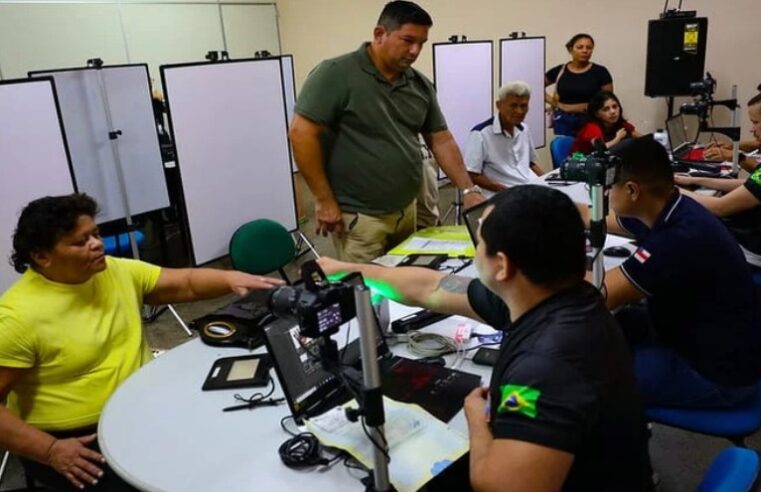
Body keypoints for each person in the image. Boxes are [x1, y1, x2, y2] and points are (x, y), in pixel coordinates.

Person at [318, 186, 652, 491]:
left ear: (502, 266)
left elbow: (500, 486)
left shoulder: (547, 366)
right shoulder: (553, 291)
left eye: (479, 243)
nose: (475, 252)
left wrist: (476, 419)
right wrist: (347, 270)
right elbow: (433, 287)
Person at [0, 194, 284, 491]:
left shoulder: (115, 270)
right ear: (42, 256)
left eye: (95, 234)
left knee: (229, 448)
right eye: (80, 242)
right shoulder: (16, 317)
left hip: (143, 408)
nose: (97, 244)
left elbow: (185, 282)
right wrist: (50, 451)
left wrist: (231, 280)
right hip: (76, 440)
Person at [289, 1, 483, 264]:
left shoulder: (419, 84)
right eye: (408, 40)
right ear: (380, 34)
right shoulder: (336, 74)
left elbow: (441, 139)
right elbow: (301, 134)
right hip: (361, 218)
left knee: (404, 286)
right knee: (366, 294)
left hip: (406, 209)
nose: (415, 51)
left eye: (422, 43)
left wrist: (468, 190)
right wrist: (323, 200)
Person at [575, 137, 761, 408]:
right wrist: (552, 206)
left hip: (719, 377)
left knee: (588, 379)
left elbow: (597, 295)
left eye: (608, 188)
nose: (604, 196)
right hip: (707, 338)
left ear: (632, 190)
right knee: (623, 323)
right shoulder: (673, 207)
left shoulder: (677, 239)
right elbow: (604, 219)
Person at [675, 92, 761, 273]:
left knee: (683, 226)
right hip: (748, 237)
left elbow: (720, 207)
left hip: (749, 252)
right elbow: (749, 185)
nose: (752, 130)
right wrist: (697, 179)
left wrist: (671, 190)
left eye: (755, 123)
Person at [464, 81, 544, 199]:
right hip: (503, 195)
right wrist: (499, 188)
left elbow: (530, 163)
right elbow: (471, 174)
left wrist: (546, 180)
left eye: (524, 106)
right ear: (499, 105)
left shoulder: (524, 129)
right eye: (513, 105)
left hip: (529, 188)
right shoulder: (480, 134)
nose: (519, 111)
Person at [545, 33, 613, 137]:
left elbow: (608, 99)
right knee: (565, 150)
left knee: (590, 151)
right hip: (564, 121)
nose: (585, 50)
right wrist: (555, 103)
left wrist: (588, 107)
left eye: (589, 48)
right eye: (580, 47)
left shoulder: (600, 71)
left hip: (590, 120)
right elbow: (535, 85)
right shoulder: (560, 70)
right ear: (571, 49)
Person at [570, 90, 641, 154]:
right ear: (597, 114)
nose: (613, 112)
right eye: (606, 109)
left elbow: (643, 139)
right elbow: (600, 149)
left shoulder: (621, 124)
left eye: (615, 107)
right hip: (580, 162)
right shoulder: (592, 127)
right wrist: (617, 139)